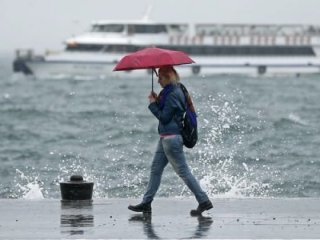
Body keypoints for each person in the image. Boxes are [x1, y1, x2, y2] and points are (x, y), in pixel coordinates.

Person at [128, 66, 212, 216]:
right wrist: (158, 100)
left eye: (160, 78)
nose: (158, 80)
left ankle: (203, 200)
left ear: (167, 77)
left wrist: (152, 104)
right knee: (155, 170)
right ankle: (146, 203)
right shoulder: (171, 91)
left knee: (184, 172)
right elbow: (168, 112)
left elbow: (165, 118)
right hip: (166, 138)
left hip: (171, 139)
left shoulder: (173, 94)